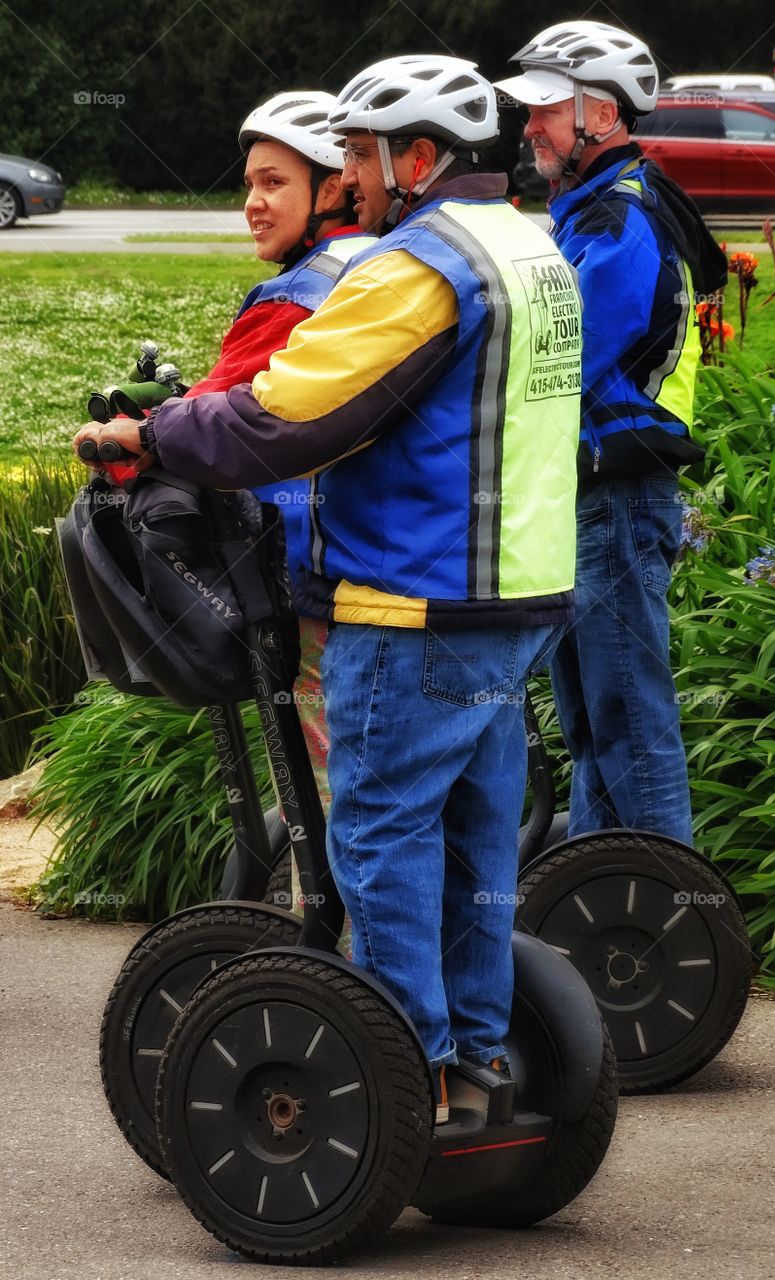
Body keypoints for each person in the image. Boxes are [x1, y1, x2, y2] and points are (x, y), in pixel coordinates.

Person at [74, 55, 582, 1124]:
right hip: (517, 605)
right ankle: (477, 1062)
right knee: (475, 842)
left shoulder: (418, 267)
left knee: (381, 837)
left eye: (358, 153)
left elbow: (282, 417)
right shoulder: (531, 248)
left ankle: (403, 1086)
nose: (349, 177)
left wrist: (147, 432)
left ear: (421, 157)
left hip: (413, 604)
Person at [496, 21, 728, 847]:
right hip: (592, 498)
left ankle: (663, 928)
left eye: (545, 112)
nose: (529, 127)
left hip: (619, 499)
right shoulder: (589, 213)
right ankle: (602, 919)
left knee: (627, 723)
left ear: (599, 114)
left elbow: (558, 362)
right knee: (597, 726)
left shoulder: (617, 222)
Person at [187, 92, 375, 815]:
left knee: (333, 780)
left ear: (331, 188)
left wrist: (137, 436)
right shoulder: (382, 261)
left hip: (315, 564)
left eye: (274, 183)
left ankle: (333, 925)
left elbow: (216, 411)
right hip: (397, 564)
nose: (253, 204)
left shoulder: (299, 295)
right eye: (249, 185)